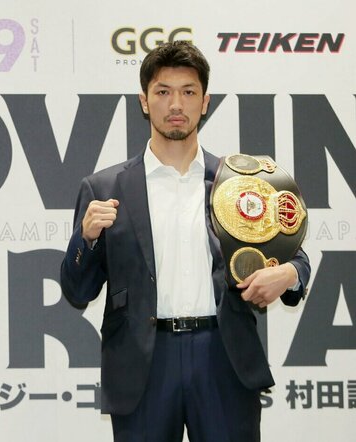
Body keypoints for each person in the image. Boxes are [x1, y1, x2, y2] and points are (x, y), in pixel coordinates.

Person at [60, 41, 310, 442]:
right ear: (144, 101)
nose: (176, 103)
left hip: (223, 358)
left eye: (189, 92)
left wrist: (287, 275)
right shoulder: (104, 188)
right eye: (163, 92)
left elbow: (297, 258)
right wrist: (85, 239)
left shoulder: (241, 183)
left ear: (205, 101)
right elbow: (77, 290)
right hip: (144, 365)